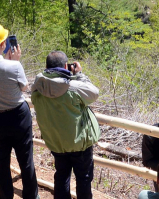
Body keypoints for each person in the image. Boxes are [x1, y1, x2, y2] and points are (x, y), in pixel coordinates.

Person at [31, 51, 100, 199]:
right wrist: (79, 75)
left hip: (56, 142)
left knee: (61, 176)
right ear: (65, 66)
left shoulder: (38, 86)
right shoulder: (73, 87)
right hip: (79, 143)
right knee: (84, 179)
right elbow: (94, 93)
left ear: (46, 66)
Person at [0, 26, 39, 199]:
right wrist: (15, 61)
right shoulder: (14, 66)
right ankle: (31, 196)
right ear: (3, 45)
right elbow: (24, 87)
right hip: (18, 116)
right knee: (26, 160)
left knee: (1, 162)